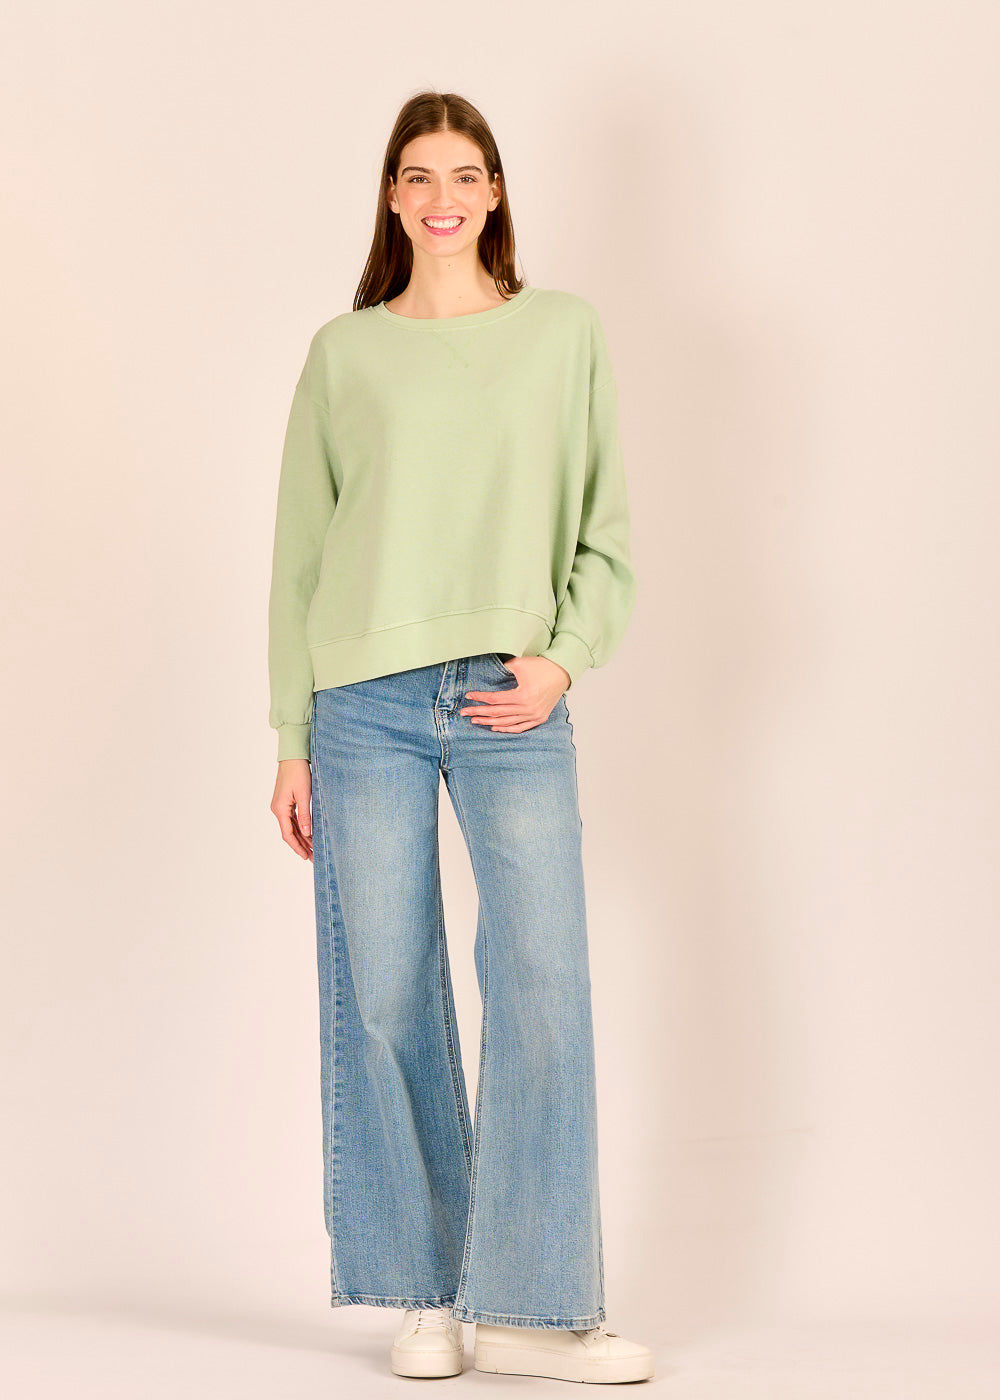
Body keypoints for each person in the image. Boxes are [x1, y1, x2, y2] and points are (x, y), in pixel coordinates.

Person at [267, 90, 652, 1386]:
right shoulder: (345, 353)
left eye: (466, 173)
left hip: (511, 697)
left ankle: (541, 1308)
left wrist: (563, 658)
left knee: (542, 982)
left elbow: (603, 526)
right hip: (360, 706)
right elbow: (298, 559)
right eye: (420, 175)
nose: (443, 196)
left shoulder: (562, 333)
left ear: (495, 192)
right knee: (382, 992)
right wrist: (291, 738)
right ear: (393, 195)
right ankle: (426, 1292)